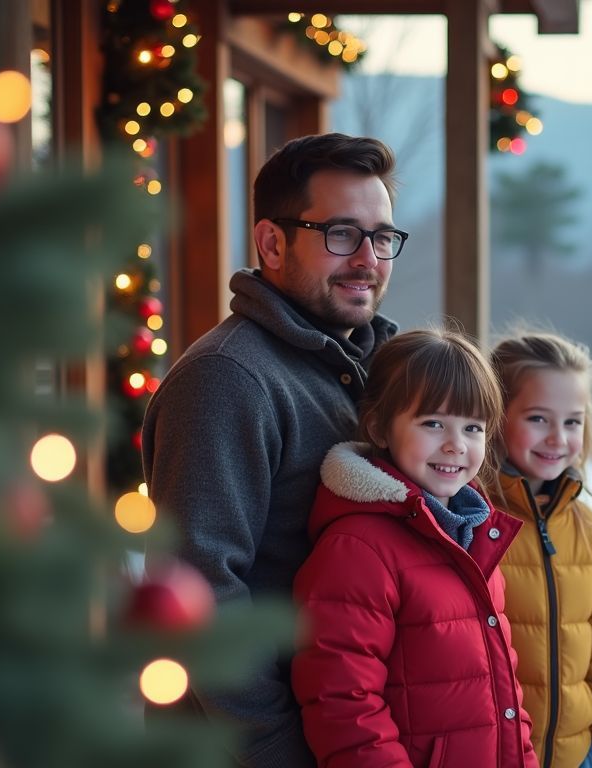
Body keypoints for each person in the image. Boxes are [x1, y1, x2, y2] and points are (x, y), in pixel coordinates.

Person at [140, 133, 403, 766]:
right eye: (341, 233)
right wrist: (282, 748)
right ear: (272, 243)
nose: (368, 258)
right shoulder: (229, 379)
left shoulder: (369, 371)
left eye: (382, 236)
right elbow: (199, 589)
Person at [291, 329, 538, 768]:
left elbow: (504, 691)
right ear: (379, 427)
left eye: (473, 427)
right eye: (433, 423)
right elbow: (343, 702)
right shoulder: (358, 549)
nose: (455, 444)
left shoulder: (477, 538)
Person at [486, 332, 592, 768]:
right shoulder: (472, 519)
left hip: (575, 754)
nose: (557, 438)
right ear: (496, 415)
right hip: (495, 753)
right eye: (538, 418)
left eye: (572, 422)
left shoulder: (588, 531)